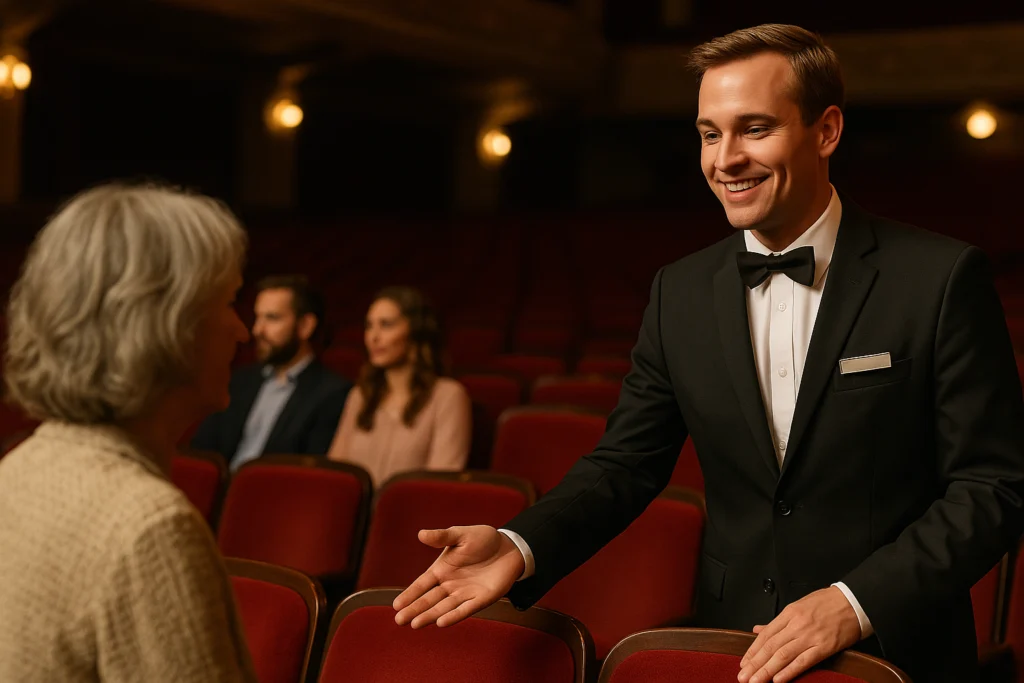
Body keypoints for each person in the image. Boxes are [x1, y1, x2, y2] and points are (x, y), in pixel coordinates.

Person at [392, 24, 1024, 683]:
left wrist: (853, 601)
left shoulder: (939, 278)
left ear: (826, 131)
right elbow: (625, 464)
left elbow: (994, 486)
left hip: (900, 649)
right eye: (709, 133)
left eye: (754, 129)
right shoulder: (680, 291)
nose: (725, 159)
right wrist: (522, 546)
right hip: (731, 647)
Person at [0, 183, 257, 681]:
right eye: (227, 302)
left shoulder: (19, 466)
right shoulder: (149, 528)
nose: (241, 331)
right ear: (168, 325)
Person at [191, 274, 352, 471]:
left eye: (272, 318)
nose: (257, 330)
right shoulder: (239, 381)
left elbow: (309, 475)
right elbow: (201, 453)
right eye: (257, 317)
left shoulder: (332, 393)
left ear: (305, 326)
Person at [327, 286, 470, 486]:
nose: (373, 337)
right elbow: (335, 473)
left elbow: (441, 484)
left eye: (386, 325)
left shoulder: (447, 395)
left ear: (415, 330)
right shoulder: (360, 395)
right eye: (369, 326)